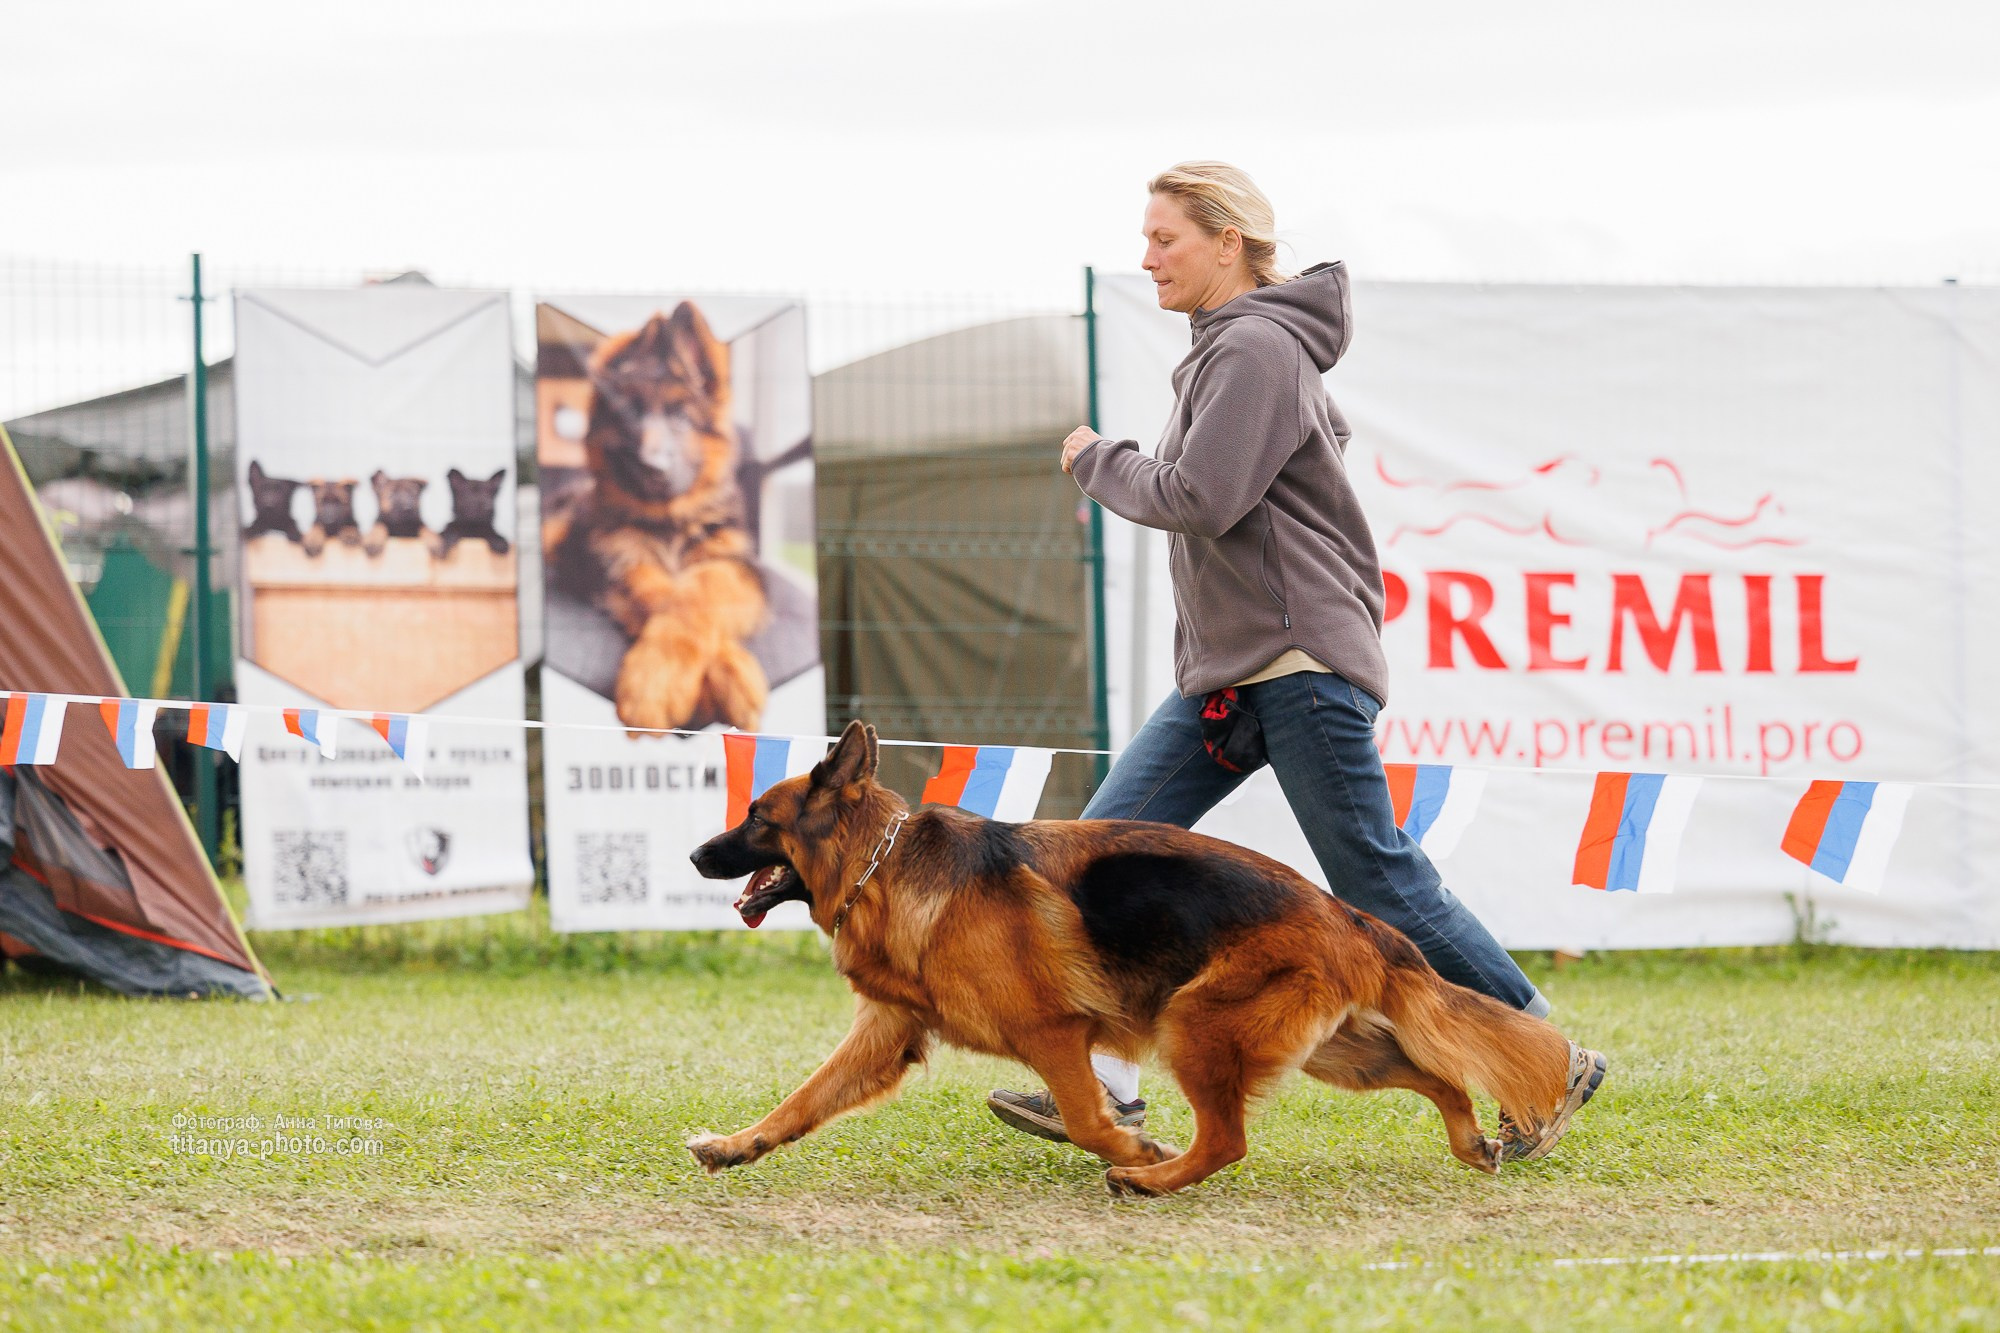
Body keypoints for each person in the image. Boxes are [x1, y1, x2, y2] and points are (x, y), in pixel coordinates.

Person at [986, 161, 1604, 1164]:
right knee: (1092, 856)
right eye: (1145, 239)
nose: (1147, 257)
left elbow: (1202, 498)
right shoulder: (1240, 349)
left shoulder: (1256, 347)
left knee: (1376, 878)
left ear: (1227, 242)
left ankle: (1548, 1055)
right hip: (1238, 670)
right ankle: (1103, 1088)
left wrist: (1098, 458)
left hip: (1295, 662)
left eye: (1164, 238)